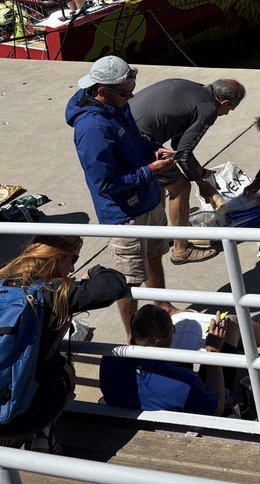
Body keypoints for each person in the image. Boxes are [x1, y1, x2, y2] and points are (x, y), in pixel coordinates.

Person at [0, 234, 128, 449]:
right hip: (24, 416)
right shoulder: (54, 294)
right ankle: (43, 436)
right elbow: (112, 284)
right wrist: (95, 271)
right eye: (73, 259)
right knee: (63, 369)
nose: (71, 269)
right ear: (58, 257)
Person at [66, 56, 178, 338]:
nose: (130, 97)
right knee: (128, 281)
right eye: (126, 93)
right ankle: (133, 337)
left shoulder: (117, 103)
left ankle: (164, 307)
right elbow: (104, 182)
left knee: (155, 256)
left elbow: (135, 138)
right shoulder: (92, 128)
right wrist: (150, 170)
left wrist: (153, 149)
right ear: (102, 90)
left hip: (148, 200)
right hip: (124, 214)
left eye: (132, 90)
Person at [130, 78, 247, 265]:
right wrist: (203, 185)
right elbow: (183, 155)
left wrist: (199, 171)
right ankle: (181, 249)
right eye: (228, 110)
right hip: (139, 142)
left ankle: (160, 236)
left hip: (124, 129)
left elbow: (178, 145)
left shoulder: (195, 88)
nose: (225, 114)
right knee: (181, 188)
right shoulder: (208, 110)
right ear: (224, 102)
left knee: (160, 181)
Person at [98, 305, 260, 415]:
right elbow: (215, 407)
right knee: (231, 324)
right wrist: (212, 351)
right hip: (190, 410)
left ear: (132, 338)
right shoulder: (185, 382)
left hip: (135, 406)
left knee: (229, 328)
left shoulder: (109, 362)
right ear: (172, 333)